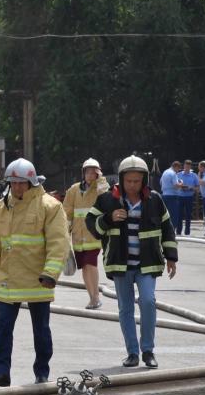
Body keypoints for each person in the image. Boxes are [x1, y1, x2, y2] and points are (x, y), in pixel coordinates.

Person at [0, 158, 69, 386]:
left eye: (21, 183)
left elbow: (59, 243)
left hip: (39, 281)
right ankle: (1, 372)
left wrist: (50, 273)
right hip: (9, 280)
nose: (17, 188)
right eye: (13, 183)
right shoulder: (0, 208)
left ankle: (42, 372)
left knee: (41, 330)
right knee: (3, 328)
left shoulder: (50, 206)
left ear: (31, 182)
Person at [86, 155, 177, 369]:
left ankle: (148, 351)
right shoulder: (108, 200)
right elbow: (91, 223)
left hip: (147, 264)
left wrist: (171, 256)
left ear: (144, 180)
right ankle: (132, 353)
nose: (133, 185)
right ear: (121, 179)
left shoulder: (154, 200)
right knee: (125, 309)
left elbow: (167, 227)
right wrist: (108, 219)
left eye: (137, 181)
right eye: (129, 181)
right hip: (120, 264)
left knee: (148, 301)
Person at [62, 157, 109, 309]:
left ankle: (96, 297)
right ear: (83, 173)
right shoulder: (74, 190)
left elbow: (106, 198)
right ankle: (92, 297)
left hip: (93, 234)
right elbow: (67, 211)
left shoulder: (100, 188)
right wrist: (65, 231)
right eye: (88, 172)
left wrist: (101, 179)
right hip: (77, 236)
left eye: (93, 172)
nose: (90, 175)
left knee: (91, 263)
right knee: (84, 267)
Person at [176, 160, 199, 235]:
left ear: (190, 167)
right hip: (180, 197)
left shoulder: (194, 175)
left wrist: (190, 188)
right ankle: (178, 231)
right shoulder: (178, 174)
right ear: (184, 166)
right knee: (179, 215)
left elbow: (198, 188)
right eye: (186, 166)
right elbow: (175, 185)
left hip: (189, 197)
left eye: (188, 166)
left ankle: (187, 232)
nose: (187, 167)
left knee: (188, 215)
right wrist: (181, 187)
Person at [159, 161, 182, 234]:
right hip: (172, 196)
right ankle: (172, 231)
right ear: (176, 167)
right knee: (173, 215)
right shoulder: (173, 173)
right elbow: (176, 185)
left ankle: (165, 230)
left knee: (165, 215)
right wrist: (181, 183)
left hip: (164, 195)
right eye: (178, 169)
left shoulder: (165, 172)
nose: (178, 171)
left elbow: (160, 182)